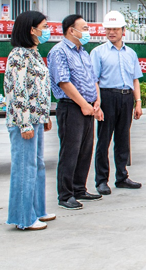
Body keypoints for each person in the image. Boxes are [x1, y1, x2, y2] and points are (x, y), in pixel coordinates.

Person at [4, 11, 54, 231]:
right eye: (44, 26)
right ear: (32, 30)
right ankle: (23, 218)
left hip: (36, 119)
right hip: (23, 121)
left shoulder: (34, 54)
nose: (47, 30)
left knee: (37, 165)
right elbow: (17, 91)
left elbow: (40, 89)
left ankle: (38, 210)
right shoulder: (18, 55)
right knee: (25, 168)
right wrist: (24, 123)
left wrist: (45, 116)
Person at [48, 14, 103, 210]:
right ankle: (65, 195)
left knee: (85, 150)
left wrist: (97, 101)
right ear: (72, 30)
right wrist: (82, 104)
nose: (88, 32)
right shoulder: (59, 52)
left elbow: (93, 79)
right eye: (85, 28)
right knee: (70, 151)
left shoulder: (83, 52)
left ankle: (79, 188)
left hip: (88, 106)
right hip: (71, 107)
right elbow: (63, 82)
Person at [90, 11, 143, 195]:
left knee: (123, 139)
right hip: (107, 97)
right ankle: (101, 180)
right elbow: (94, 80)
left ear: (123, 31)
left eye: (115, 29)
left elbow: (135, 79)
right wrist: (97, 103)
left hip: (126, 97)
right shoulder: (98, 52)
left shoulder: (131, 53)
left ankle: (122, 177)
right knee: (104, 140)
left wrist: (138, 102)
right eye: (108, 29)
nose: (111, 32)